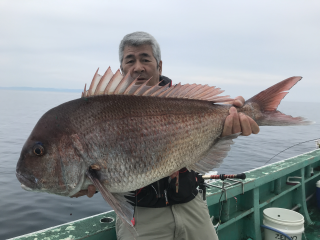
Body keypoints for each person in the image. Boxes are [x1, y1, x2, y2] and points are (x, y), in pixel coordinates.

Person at [71, 32, 259, 240]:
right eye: (130, 60)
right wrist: (85, 183)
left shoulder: (183, 102)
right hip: (141, 218)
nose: (138, 67)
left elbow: (208, 142)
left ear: (159, 66)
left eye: (145, 59)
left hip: (192, 205)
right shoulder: (103, 111)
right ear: (122, 70)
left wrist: (229, 128)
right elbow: (104, 167)